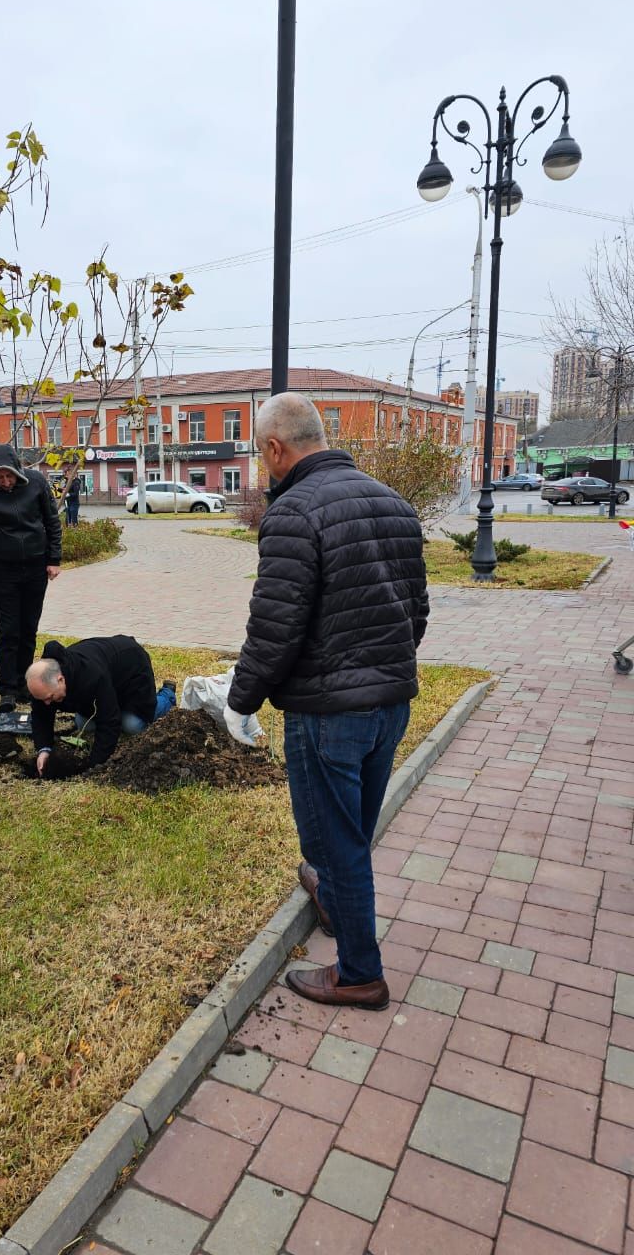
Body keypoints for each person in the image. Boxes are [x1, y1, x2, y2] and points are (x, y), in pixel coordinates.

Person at [225, 393, 428, 1011]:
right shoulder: (392, 501)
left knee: (333, 844)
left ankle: (360, 973)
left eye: (261, 453)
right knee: (350, 835)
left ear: (275, 448)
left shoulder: (292, 513)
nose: (263, 466)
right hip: (389, 704)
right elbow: (415, 611)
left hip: (327, 713)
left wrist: (240, 700)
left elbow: (275, 628)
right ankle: (337, 900)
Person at [0, 443, 62, 713]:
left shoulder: (37, 483)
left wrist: (54, 559)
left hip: (36, 565)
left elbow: (51, 520)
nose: (5, 482)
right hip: (4, 568)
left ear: (18, 472)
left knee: (29, 627)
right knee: (9, 630)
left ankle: (23, 683)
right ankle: (7, 688)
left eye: (9, 476)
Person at [26, 636, 175, 775]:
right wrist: (44, 749)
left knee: (132, 725)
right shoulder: (43, 684)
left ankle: (167, 695)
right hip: (109, 680)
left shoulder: (91, 676)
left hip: (132, 672)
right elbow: (40, 716)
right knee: (84, 724)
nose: (46, 703)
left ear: (60, 679)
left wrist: (94, 764)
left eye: (50, 697)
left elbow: (110, 721)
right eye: (43, 699)